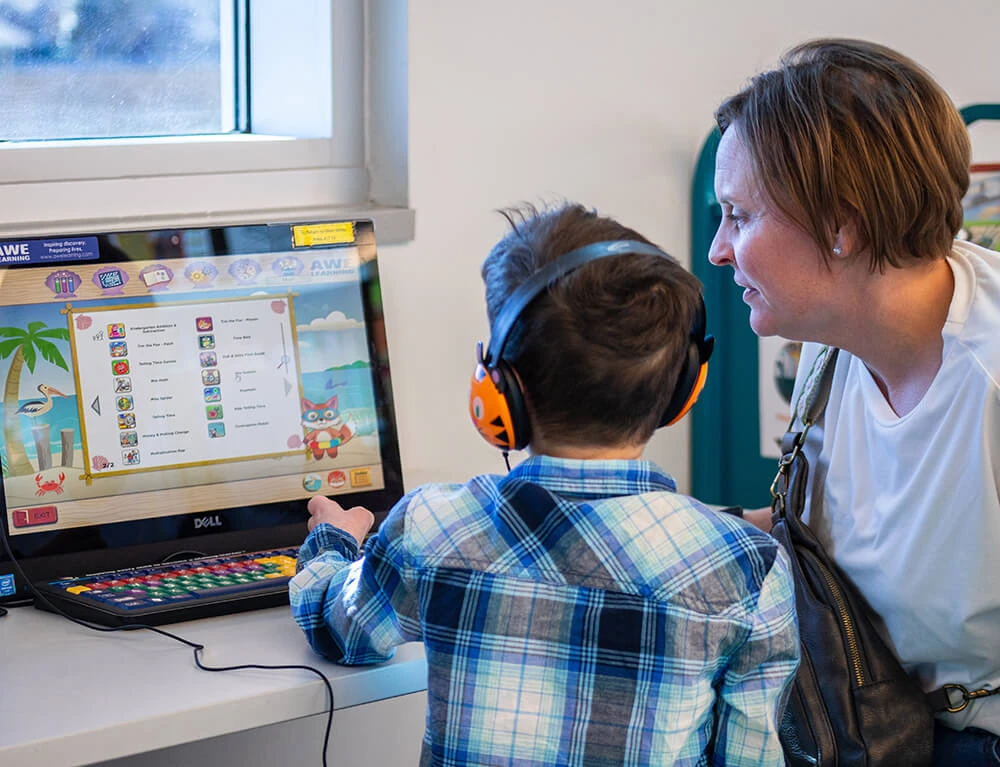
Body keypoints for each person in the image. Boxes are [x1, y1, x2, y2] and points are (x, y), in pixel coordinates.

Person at [290, 201, 799, 766]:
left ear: (498, 392)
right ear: (682, 390)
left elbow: (337, 628)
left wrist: (333, 541)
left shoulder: (432, 528)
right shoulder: (748, 567)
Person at [708, 38, 1000, 765]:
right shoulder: (831, 348)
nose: (718, 249)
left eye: (738, 215)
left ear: (842, 225)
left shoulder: (988, 380)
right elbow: (819, 522)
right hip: (880, 728)